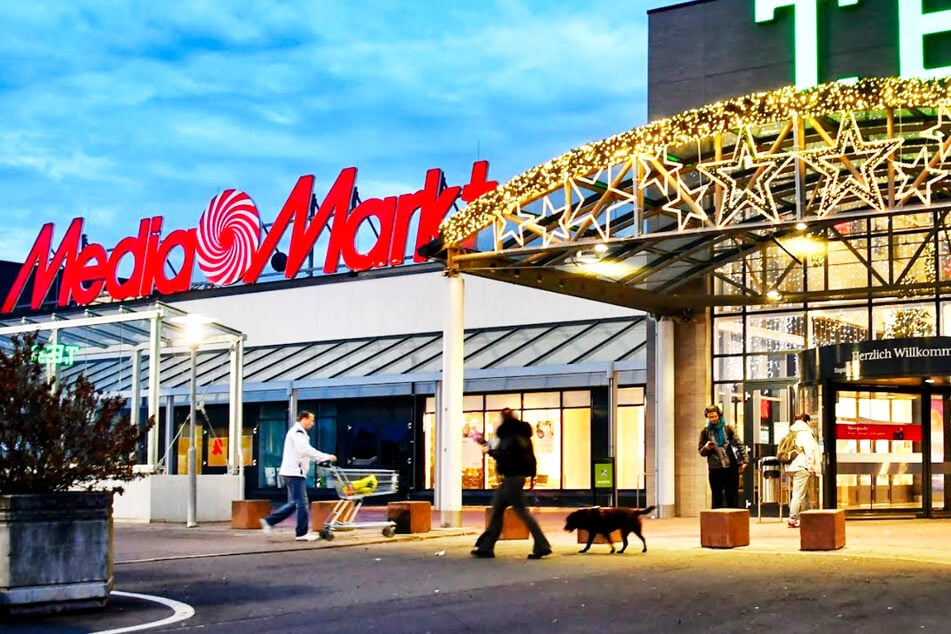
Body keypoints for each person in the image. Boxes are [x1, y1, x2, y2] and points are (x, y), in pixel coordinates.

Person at [471, 408, 552, 560]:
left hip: (512, 477)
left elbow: (505, 455)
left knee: (520, 511)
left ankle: (542, 545)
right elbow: (527, 456)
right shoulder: (523, 436)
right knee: (497, 510)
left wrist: (489, 451)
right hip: (515, 477)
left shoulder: (509, 436)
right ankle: (486, 546)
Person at [260, 411, 336, 541]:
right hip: (295, 472)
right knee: (302, 503)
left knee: (294, 503)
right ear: (303, 419)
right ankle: (301, 533)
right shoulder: (298, 433)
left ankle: (270, 521)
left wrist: (318, 460)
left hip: (292, 472)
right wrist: (325, 456)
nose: (312, 424)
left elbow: (303, 453)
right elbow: (305, 450)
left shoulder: (297, 433)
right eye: (311, 420)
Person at [698, 405, 747, 509]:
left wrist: (744, 460)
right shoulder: (705, 432)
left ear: (719, 415)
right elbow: (701, 452)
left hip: (731, 466)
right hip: (715, 468)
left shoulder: (728, 429)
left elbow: (739, 444)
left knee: (732, 496)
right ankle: (716, 523)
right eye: (710, 417)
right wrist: (706, 447)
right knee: (716, 496)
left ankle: (734, 521)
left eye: (715, 416)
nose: (713, 419)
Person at [786, 413, 821, 528]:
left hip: (791, 466)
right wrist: (811, 467)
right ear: (807, 421)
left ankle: (808, 517)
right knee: (798, 494)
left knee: (804, 494)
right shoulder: (805, 433)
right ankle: (792, 518)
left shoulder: (792, 432)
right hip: (802, 466)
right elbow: (810, 451)